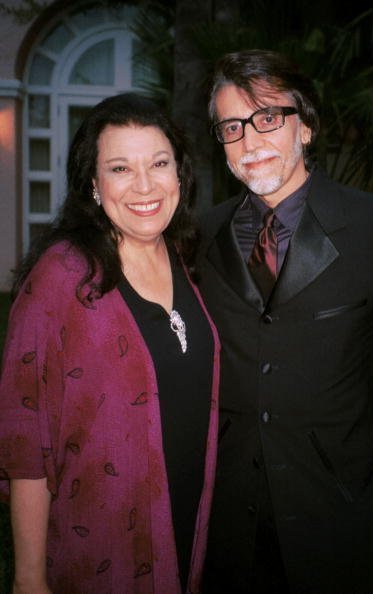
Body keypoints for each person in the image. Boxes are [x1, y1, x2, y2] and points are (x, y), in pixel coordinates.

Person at [198, 49, 373, 594]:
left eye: (268, 118)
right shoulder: (197, 236)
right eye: (232, 126)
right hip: (224, 525)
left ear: (305, 127)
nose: (249, 140)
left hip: (339, 516)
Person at [0, 93, 220, 594]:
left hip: (188, 528)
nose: (145, 186)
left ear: (180, 175)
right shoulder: (62, 277)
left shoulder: (184, 258)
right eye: (120, 168)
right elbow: (25, 441)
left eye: (159, 163)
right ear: (94, 186)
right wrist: (29, 578)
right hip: (101, 547)